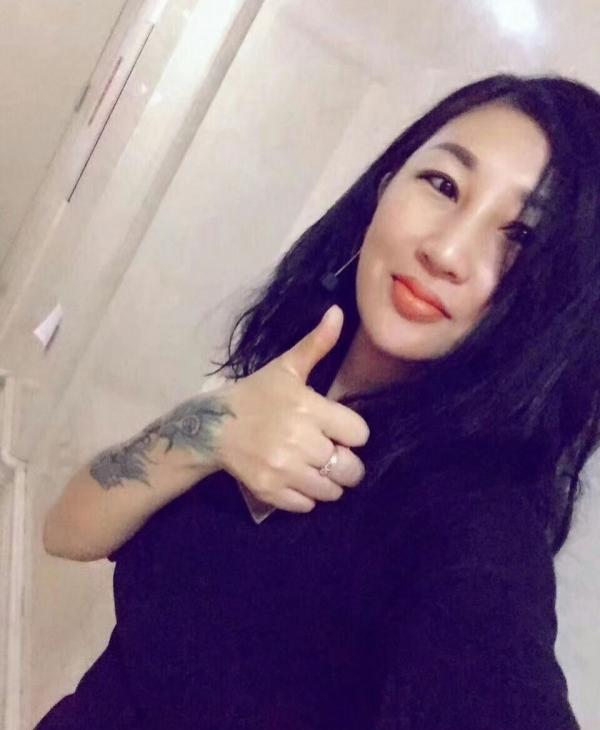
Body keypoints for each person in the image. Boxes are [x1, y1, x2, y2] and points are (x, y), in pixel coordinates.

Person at [37, 72, 600, 729]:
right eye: (443, 185)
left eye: (522, 236)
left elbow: (493, 662)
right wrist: (214, 427)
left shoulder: (474, 520)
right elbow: (66, 530)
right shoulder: (289, 374)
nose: (447, 251)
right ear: (385, 184)